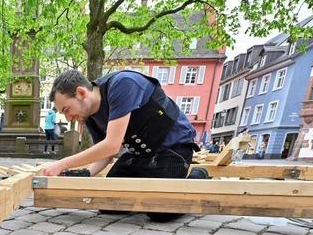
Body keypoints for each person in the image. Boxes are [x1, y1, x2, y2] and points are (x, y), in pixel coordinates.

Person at [43, 69, 207, 222]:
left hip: (173, 148)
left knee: (160, 211)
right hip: (140, 154)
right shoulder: (89, 115)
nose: (68, 118)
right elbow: (104, 153)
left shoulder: (123, 84)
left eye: (66, 109)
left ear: (80, 93)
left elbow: (112, 146)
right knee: (107, 204)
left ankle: (198, 177)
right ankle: (149, 190)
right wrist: (85, 174)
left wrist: (62, 163)